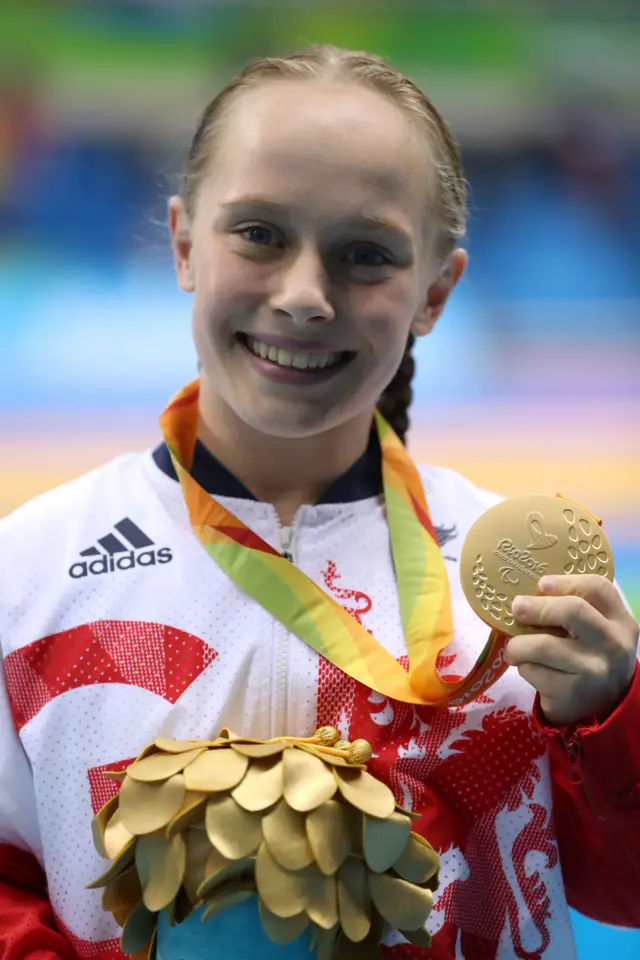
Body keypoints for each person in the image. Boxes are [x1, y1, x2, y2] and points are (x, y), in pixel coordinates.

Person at [0, 44, 638, 960]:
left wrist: (612, 717)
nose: (304, 295)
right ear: (184, 244)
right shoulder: (28, 575)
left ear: (436, 292)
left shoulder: (523, 606)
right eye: (258, 233)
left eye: (365, 255)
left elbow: (625, 891)